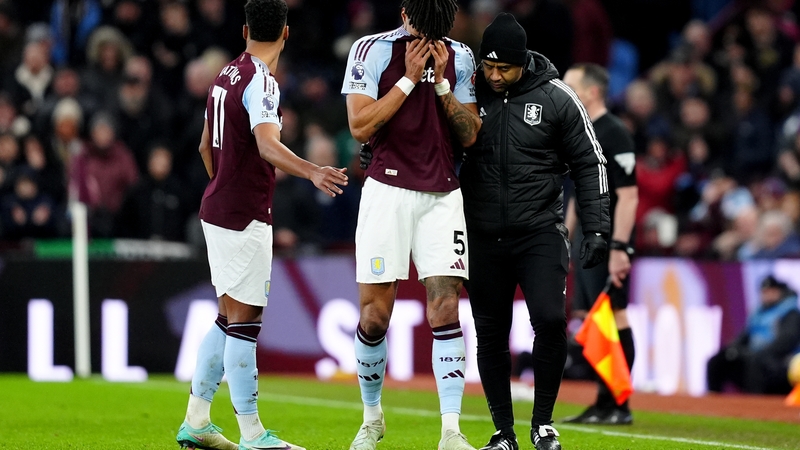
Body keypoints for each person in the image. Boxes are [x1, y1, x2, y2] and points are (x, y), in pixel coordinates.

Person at [175, 1, 349, 449]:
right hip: (243, 214)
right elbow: (268, 146)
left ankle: (197, 421)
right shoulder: (262, 80)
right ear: (286, 34)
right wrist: (312, 170)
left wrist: (225, 184)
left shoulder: (225, 73)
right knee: (245, 321)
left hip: (218, 207)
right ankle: (252, 434)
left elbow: (204, 146)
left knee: (226, 318)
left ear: (245, 30)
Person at [459, 13, 610, 450]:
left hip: (539, 231)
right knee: (490, 333)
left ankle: (542, 423)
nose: (494, 75)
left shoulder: (558, 97)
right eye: (488, 66)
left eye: (503, 67)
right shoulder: (468, 92)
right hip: (481, 234)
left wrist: (597, 229)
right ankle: (503, 433)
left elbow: (590, 162)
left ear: (523, 61)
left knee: (549, 320)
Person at [340, 1, 482, 449]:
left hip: (442, 195)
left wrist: (440, 83)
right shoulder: (370, 50)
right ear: (404, 16)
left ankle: (451, 431)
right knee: (374, 317)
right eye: (420, 34)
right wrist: (407, 78)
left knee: (446, 309)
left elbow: (470, 134)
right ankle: (372, 419)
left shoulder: (460, 56)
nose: (428, 43)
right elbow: (359, 126)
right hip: (386, 192)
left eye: (436, 35)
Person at [561, 63, 639, 425]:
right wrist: (565, 237)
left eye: (571, 86)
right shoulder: (581, 131)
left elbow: (629, 196)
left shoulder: (615, 133)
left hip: (607, 239)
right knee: (591, 317)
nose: (564, 92)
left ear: (592, 92)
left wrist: (620, 247)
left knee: (613, 314)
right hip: (585, 238)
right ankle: (604, 401)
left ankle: (618, 404)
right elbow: (578, 191)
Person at [707, 275, 800, 395]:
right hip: (754, 356)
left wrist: (760, 353)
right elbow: (745, 335)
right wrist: (732, 349)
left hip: (778, 360)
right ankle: (713, 398)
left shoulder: (790, 312)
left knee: (756, 362)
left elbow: (787, 340)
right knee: (719, 359)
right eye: (764, 292)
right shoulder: (758, 313)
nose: (767, 295)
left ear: (779, 292)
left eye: (771, 291)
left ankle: (755, 401)